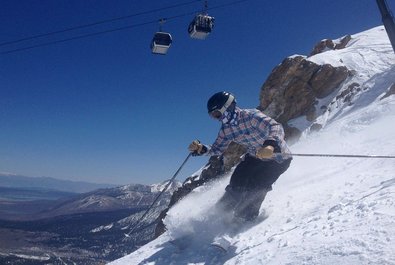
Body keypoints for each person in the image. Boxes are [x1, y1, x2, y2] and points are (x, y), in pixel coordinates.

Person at [188, 91, 292, 223]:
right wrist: (201, 149)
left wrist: (270, 145)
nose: (217, 118)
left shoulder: (250, 116)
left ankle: (244, 218)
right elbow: (217, 149)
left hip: (277, 158)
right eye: (213, 116)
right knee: (237, 180)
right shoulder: (226, 130)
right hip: (255, 157)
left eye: (217, 114)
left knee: (257, 185)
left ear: (227, 108)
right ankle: (220, 214)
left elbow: (275, 126)